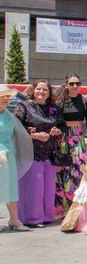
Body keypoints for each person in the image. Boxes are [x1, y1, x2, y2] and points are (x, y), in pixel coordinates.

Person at [14, 80, 66, 227]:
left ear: (49, 93)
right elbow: (16, 125)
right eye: (38, 89)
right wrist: (34, 135)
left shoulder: (54, 108)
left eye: (45, 90)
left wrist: (58, 130)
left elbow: (62, 125)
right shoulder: (24, 106)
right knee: (33, 187)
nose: (41, 92)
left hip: (49, 152)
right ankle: (32, 218)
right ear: (33, 90)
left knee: (48, 187)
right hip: (30, 152)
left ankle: (46, 216)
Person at [0, 84, 33, 232]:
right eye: (3, 95)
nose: (6, 98)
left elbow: (18, 133)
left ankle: (14, 220)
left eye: (8, 96)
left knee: (12, 188)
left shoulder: (8, 114)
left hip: (9, 154)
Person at [54, 72, 87, 214]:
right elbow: (56, 120)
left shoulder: (84, 100)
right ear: (66, 84)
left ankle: (76, 207)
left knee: (78, 171)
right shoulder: (59, 100)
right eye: (72, 83)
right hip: (62, 139)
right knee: (62, 172)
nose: (75, 86)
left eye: (77, 83)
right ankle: (62, 209)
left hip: (77, 139)